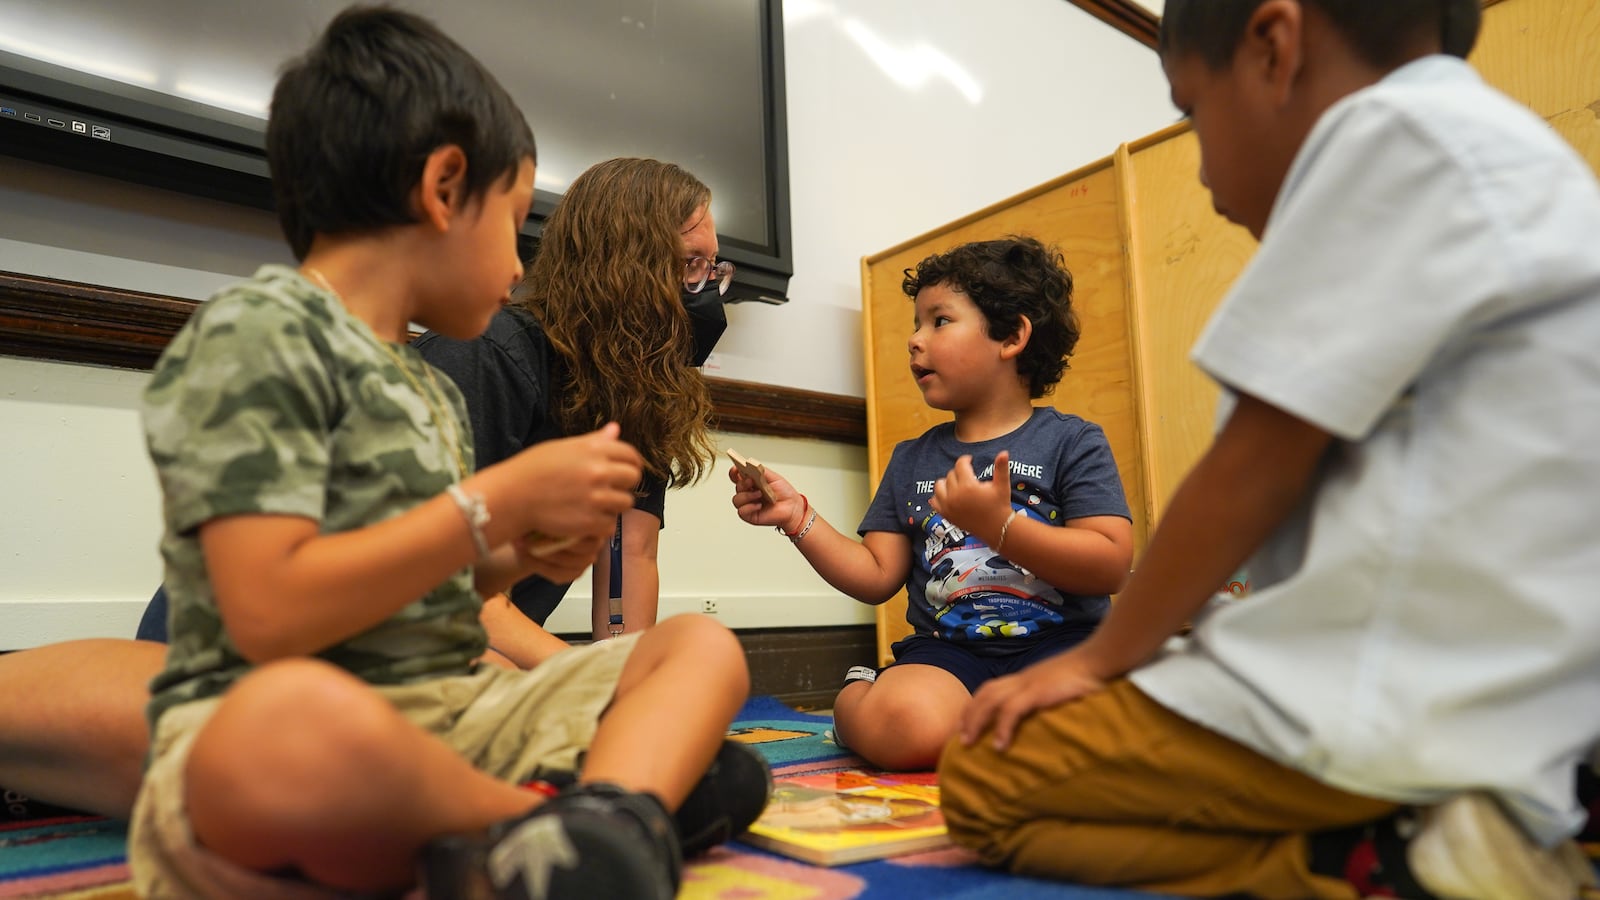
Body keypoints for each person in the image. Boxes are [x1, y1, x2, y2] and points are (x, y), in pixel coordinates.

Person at [938, 2, 1600, 899]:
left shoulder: (1387, 136)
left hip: (1396, 696)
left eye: (1192, 114)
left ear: (1275, 47)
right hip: (1538, 692)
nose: (1203, 159)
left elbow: (1253, 463)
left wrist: (1099, 659)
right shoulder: (1516, 159)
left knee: (983, 779)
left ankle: (1386, 864)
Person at [125, 8, 754, 898]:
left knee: (701, 651)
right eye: (512, 220)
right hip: (299, 700)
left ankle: (601, 812)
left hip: (443, 701)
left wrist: (525, 553)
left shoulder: (417, 385)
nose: (521, 261)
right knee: (271, 739)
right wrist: (490, 510)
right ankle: (536, 819)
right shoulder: (261, 337)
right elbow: (264, 613)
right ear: (445, 189)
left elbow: (448, 597)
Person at [730, 236, 1135, 771]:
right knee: (910, 730)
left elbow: (1109, 564)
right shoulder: (912, 459)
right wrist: (797, 517)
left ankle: (984, 724)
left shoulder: (1073, 442)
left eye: (938, 321)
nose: (915, 341)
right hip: (949, 653)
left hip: (1064, 646)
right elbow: (876, 575)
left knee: (1104, 733)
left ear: (1011, 335)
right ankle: (858, 699)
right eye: (916, 324)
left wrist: (1000, 525)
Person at [413, 155, 727, 646]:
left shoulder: (640, 392)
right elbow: (437, 584)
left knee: (703, 652)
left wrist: (623, 674)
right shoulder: (488, 355)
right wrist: (582, 678)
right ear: (625, 262)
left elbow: (632, 556)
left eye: (711, 269)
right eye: (691, 264)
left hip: (501, 655)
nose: (704, 290)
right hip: (423, 639)